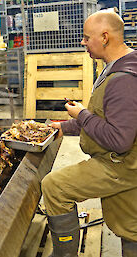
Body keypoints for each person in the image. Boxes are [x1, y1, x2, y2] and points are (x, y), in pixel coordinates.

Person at [41, 10, 137, 257]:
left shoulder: (122, 79)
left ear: (104, 37)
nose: (83, 43)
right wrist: (64, 127)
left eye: (86, 38)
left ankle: (64, 254)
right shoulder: (121, 64)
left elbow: (120, 140)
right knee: (129, 224)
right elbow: (107, 118)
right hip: (130, 164)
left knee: (54, 186)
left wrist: (81, 115)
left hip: (119, 163)